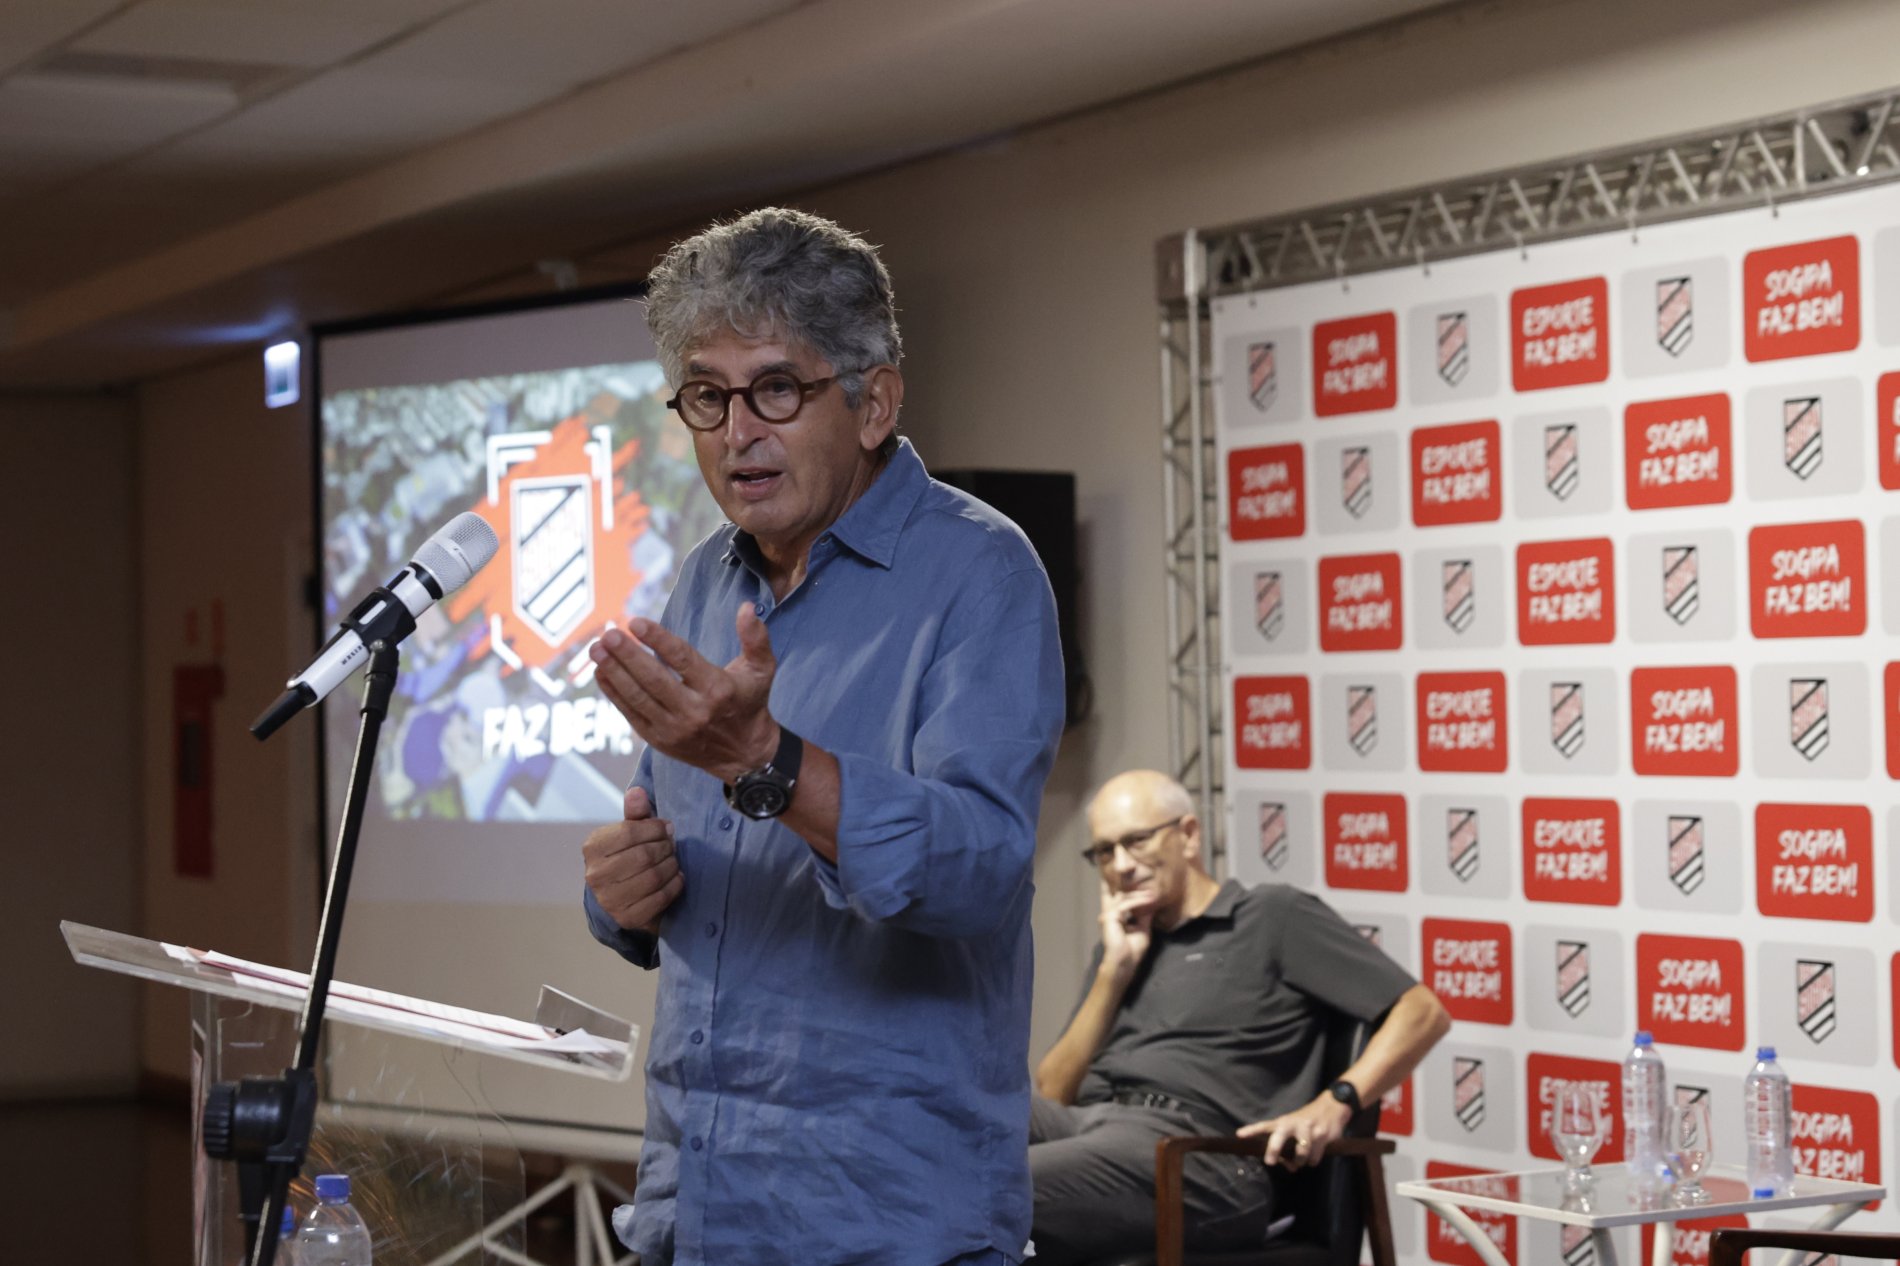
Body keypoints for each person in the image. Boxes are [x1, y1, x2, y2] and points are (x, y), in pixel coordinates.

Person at [580, 207, 1066, 1266]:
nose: (735, 432)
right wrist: (622, 891)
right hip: (695, 1212)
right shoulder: (703, 579)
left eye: (775, 389)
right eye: (707, 395)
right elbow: (681, 844)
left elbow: (980, 871)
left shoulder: (982, 573)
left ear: (873, 402)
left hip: (886, 1226)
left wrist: (768, 765)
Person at [1029, 770, 1450, 1264]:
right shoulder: (1123, 945)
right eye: (1104, 851)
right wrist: (1114, 971)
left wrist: (1335, 1102)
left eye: (1136, 841)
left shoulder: (1271, 915)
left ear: (1189, 835)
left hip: (1199, 1158)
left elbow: (1424, 1013)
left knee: (986, 1181)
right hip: (1090, 1124)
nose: (1121, 865)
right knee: (958, 1124)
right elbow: (1054, 1090)